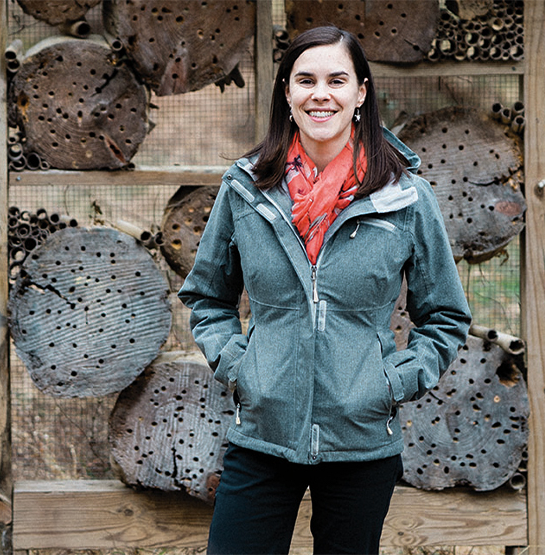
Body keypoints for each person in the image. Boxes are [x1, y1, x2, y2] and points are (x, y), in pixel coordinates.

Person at [178, 26, 471, 555]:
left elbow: (445, 314)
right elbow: (207, 296)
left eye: (337, 80)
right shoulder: (246, 189)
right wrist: (242, 368)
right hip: (263, 434)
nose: (321, 94)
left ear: (360, 93)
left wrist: (390, 381)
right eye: (305, 80)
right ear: (287, 93)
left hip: (361, 441)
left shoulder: (404, 198)